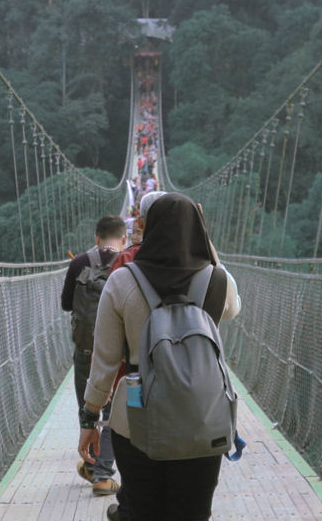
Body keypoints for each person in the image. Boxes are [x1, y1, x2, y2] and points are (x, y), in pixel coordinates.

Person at [78, 193, 241, 521]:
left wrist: (90, 419)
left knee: (141, 510)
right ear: (199, 228)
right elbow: (233, 309)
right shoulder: (217, 279)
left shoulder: (122, 281)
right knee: (193, 513)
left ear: (146, 228)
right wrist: (207, 245)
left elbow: (105, 361)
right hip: (203, 415)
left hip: (136, 417)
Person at [61, 215, 127, 495]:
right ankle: (102, 473)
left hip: (85, 349)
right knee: (113, 411)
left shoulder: (79, 262)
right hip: (117, 353)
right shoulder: (128, 263)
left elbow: (66, 304)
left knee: (89, 408)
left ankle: (91, 463)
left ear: (97, 238)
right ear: (123, 238)